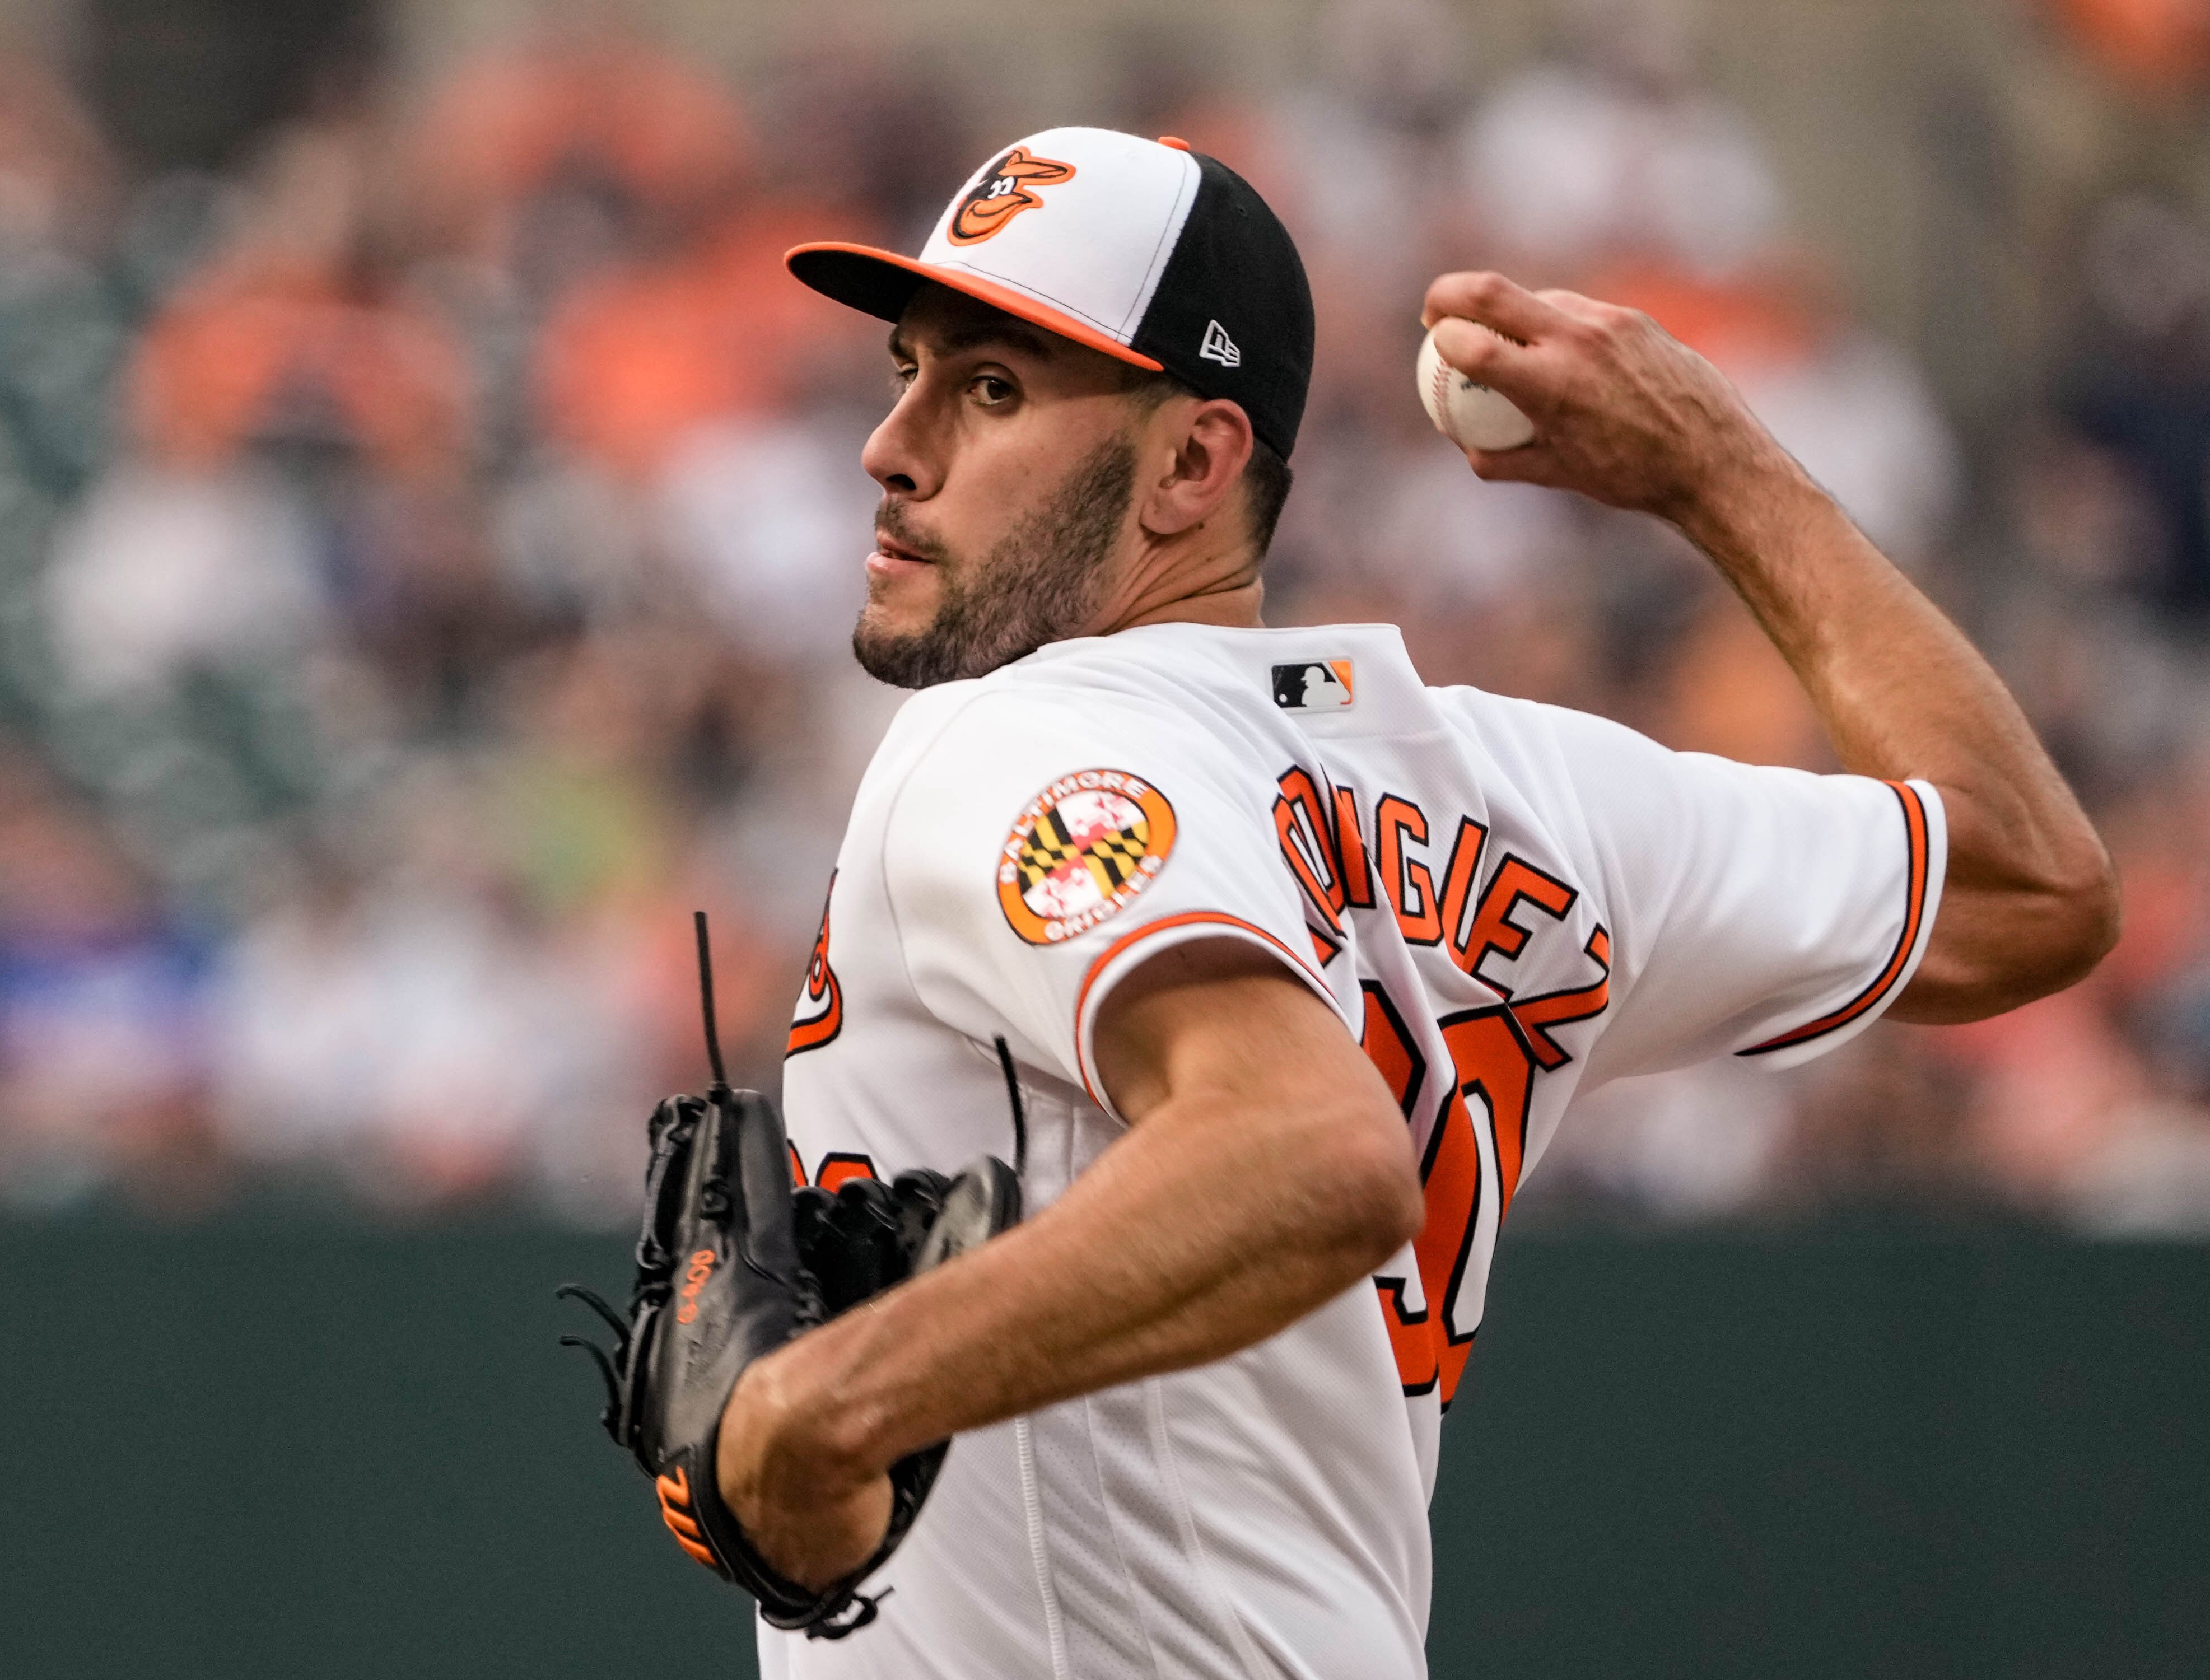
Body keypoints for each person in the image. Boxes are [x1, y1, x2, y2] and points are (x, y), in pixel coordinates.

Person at [716, 127, 2116, 1679]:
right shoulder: (1507, 788)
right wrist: (1722, 475)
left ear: (1192, 462)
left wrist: (829, 1400)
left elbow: (1309, 1154)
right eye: (908, 369)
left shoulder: (1012, 737)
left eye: (988, 391)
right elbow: (2020, 881)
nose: (889, 445)